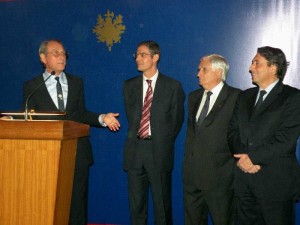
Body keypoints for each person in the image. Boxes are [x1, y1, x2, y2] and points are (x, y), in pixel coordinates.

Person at [23, 39, 120, 225]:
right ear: (43, 58)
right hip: (44, 156)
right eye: (56, 53)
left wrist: (102, 118)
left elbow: (80, 114)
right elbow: (30, 122)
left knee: (77, 204)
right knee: (47, 202)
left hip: (77, 153)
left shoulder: (76, 82)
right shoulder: (31, 87)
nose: (62, 56)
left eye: (63, 53)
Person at [228, 46, 300, 225]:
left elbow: (286, 139)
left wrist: (252, 158)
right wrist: (244, 159)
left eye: (256, 63)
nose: (250, 68)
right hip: (244, 183)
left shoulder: (292, 97)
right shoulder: (244, 96)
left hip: (275, 185)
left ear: (273, 68)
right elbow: (232, 132)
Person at [123, 40, 185, 225]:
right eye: (136, 55)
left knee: (162, 206)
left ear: (155, 57)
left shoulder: (172, 86)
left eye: (143, 55)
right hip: (135, 152)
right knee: (136, 206)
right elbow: (131, 118)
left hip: (158, 151)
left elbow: (176, 121)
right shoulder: (129, 85)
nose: (138, 59)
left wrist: (160, 141)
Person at [182, 54, 240, 225]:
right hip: (192, 177)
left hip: (220, 179)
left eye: (204, 69)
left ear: (218, 72)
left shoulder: (236, 97)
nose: (198, 73)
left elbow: (239, 136)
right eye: (199, 69)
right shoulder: (193, 96)